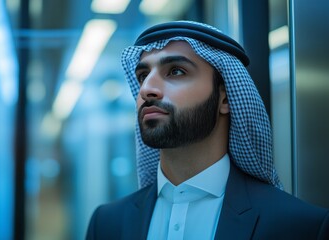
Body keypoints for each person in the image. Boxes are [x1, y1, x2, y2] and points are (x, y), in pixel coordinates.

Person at [86, 21, 329, 239]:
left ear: (225, 97)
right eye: (142, 75)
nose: (146, 89)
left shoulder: (299, 226)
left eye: (176, 71)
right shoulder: (107, 224)